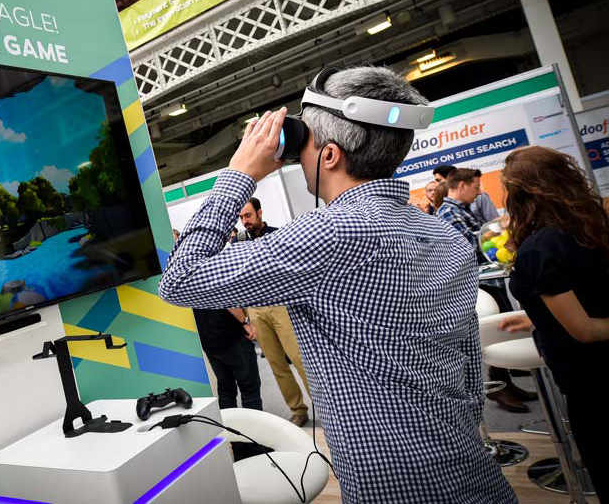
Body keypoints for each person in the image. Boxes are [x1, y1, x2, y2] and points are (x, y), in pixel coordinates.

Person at [160, 67, 514, 503]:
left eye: (304, 139)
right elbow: (469, 365)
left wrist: (239, 174)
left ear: (329, 155)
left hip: (394, 485)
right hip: (471, 467)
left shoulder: (333, 232)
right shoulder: (443, 234)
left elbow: (180, 279)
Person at [497, 146, 609, 500]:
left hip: (591, 380)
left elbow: (584, 330)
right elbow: (588, 291)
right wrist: (536, 315)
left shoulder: (540, 247)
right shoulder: (591, 224)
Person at [437, 168, 536, 412]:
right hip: (480, 284)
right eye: (475, 187)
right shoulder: (449, 213)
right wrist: (499, 234)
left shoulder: (460, 210)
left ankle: (505, 383)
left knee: (504, 329)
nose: (479, 192)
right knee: (498, 332)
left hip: (489, 281)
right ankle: (499, 386)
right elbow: (472, 246)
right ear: (461, 185)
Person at [237, 198, 312, 427]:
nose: (245, 221)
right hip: (255, 308)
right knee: (276, 363)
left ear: (259, 213)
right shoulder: (239, 243)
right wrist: (246, 316)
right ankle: (297, 409)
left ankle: (326, 406)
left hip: (281, 306)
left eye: (248, 216)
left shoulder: (279, 235)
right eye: (241, 217)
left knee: (299, 358)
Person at [177, 226, 264, 411]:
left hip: (209, 342)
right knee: (250, 389)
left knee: (226, 390)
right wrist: (245, 323)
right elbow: (228, 302)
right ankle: (252, 430)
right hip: (231, 338)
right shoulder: (209, 265)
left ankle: (230, 429)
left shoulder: (184, 272)